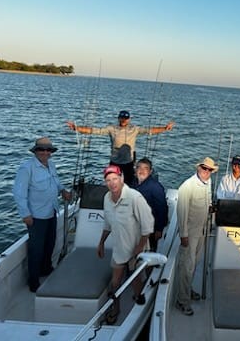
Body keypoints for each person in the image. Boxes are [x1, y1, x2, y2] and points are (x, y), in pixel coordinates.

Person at [97, 165, 154, 324]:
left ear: (121, 178)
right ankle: (116, 308)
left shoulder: (135, 197)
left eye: (115, 179)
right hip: (119, 248)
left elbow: (148, 224)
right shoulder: (106, 199)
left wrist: (140, 246)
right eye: (108, 180)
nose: (112, 183)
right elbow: (107, 224)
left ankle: (138, 301)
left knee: (136, 280)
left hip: (137, 248)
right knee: (115, 282)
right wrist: (101, 243)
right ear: (105, 182)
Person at [12, 137, 71, 292]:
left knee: (50, 244)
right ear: (35, 151)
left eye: (48, 150)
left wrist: (63, 190)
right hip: (36, 216)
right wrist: (25, 214)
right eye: (41, 150)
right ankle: (33, 281)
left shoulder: (51, 165)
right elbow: (19, 193)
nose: (45, 152)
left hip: (51, 211)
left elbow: (56, 183)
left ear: (51, 153)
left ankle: (46, 269)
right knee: (36, 249)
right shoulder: (27, 168)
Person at [66, 110, 175, 185]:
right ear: (118, 118)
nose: (124, 120)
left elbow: (150, 130)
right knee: (112, 182)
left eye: (126, 118)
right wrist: (77, 128)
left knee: (128, 183)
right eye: (122, 118)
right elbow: (94, 131)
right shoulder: (111, 129)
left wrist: (165, 128)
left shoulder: (135, 129)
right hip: (115, 162)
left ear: (129, 119)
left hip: (128, 163)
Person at [176, 157, 218, 316]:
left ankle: (188, 290)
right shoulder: (187, 186)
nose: (206, 172)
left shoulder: (208, 183)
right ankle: (182, 300)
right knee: (187, 266)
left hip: (203, 230)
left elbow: (207, 204)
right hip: (190, 233)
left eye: (209, 170)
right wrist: (183, 235)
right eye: (204, 168)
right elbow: (182, 212)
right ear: (198, 168)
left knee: (195, 263)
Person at [134, 157, 168, 251]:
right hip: (134, 226)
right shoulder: (132, 184)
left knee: (148, 253)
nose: (142, 171)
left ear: (150, 171)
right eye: (139, 168)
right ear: (135, 169)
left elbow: (162, 209)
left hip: (150, 229)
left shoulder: (155, 187)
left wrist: (159, 229)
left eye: (145, 168)